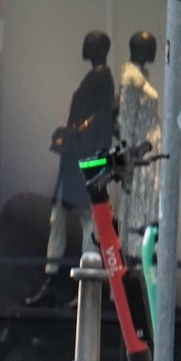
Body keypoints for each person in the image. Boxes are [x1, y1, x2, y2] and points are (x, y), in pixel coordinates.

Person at [31, 30, 118, 303]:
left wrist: (81, 145)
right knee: (62, 218)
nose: (85, 47)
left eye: (90, 44)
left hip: (85, 160)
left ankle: (84, 284)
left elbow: (101, 124)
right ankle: (54, 278)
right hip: (79, 160)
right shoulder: (98, 79)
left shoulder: (102, 79)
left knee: (86, 221)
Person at [118, 28, 162, 248]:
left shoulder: (141, 75)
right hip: (140, 150)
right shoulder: (132, 78)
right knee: (139, 201)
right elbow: (126, 118)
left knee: (147, 200)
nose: (154, 49)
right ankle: (134, 251)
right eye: (150, 45)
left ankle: (142, 249)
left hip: (148, 149)